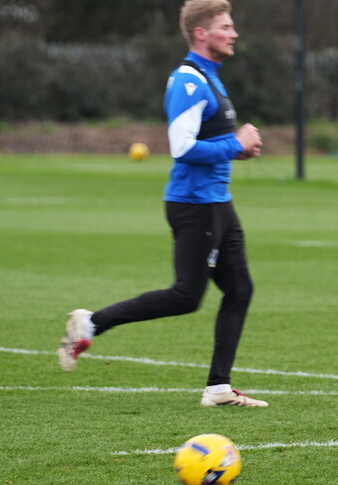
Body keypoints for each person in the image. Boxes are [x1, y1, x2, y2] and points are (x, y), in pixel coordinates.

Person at [56, 0, 268, 408]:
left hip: (219, 204)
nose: (234, 33)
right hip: (194, 205)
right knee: (186, 296)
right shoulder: (188, 80)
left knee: (240, 289)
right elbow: (181, 147)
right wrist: (234, 144)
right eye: (226, 26)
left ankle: (218, 388)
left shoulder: (211, 78)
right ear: (202, 34)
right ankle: (91, 324)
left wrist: (237, 151)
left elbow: (208, 144)